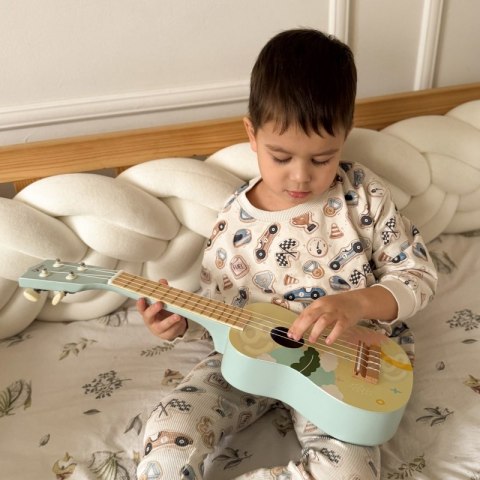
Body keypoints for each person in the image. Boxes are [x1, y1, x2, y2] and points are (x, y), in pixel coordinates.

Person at [136, 28, 437, 480]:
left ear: (344, 136)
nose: (300, 177)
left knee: (350, 473)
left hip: (347, 363)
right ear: (252, 134)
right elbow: (219, 309)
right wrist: (179, 324)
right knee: (167, 432)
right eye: (280, 157)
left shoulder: (362, 196)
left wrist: (357, 303)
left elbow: (418, 275)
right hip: (248, 359)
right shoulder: (232, 218)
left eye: (322, 159)